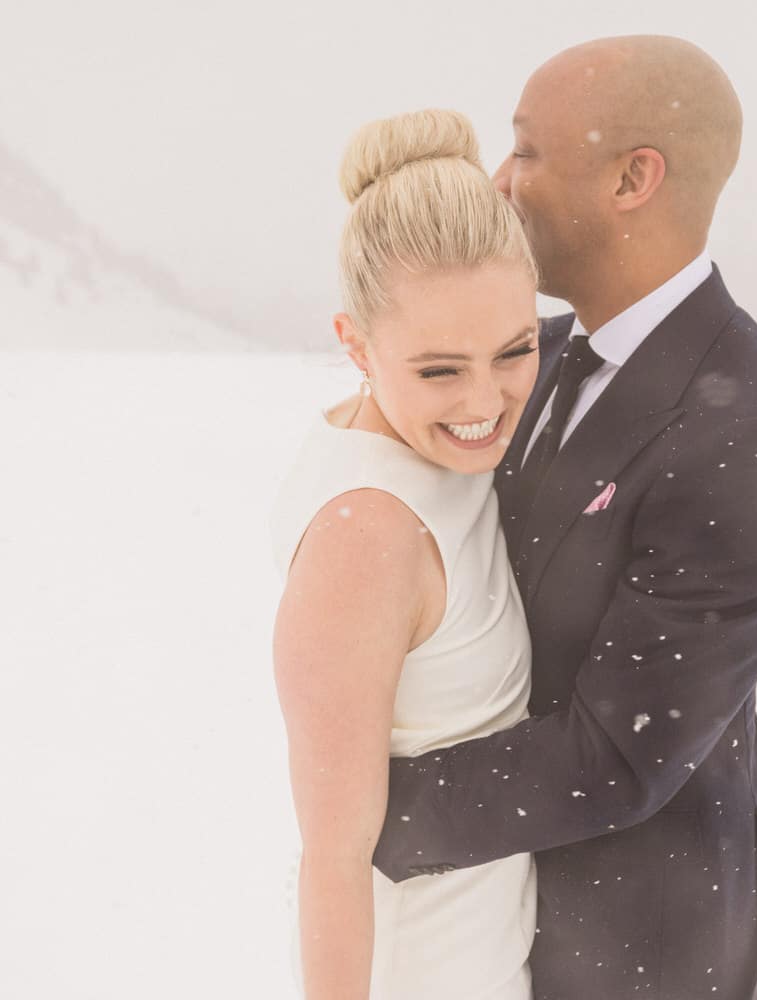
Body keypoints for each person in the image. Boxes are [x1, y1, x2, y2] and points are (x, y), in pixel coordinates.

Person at [368, 36, 757, 999]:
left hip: (637, 944)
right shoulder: (523, 355)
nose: (500, 181)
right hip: (486, 913)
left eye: (529, 150)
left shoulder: (753, 435)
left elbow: (615, 757)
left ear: (635, 178)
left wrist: (362, 814)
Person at [269, 108, 543, 999]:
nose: (486, 401)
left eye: (515, 350)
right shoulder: (369, 536)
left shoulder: (427, 451)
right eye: (439, 370)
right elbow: (334, 860)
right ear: (354, 343)